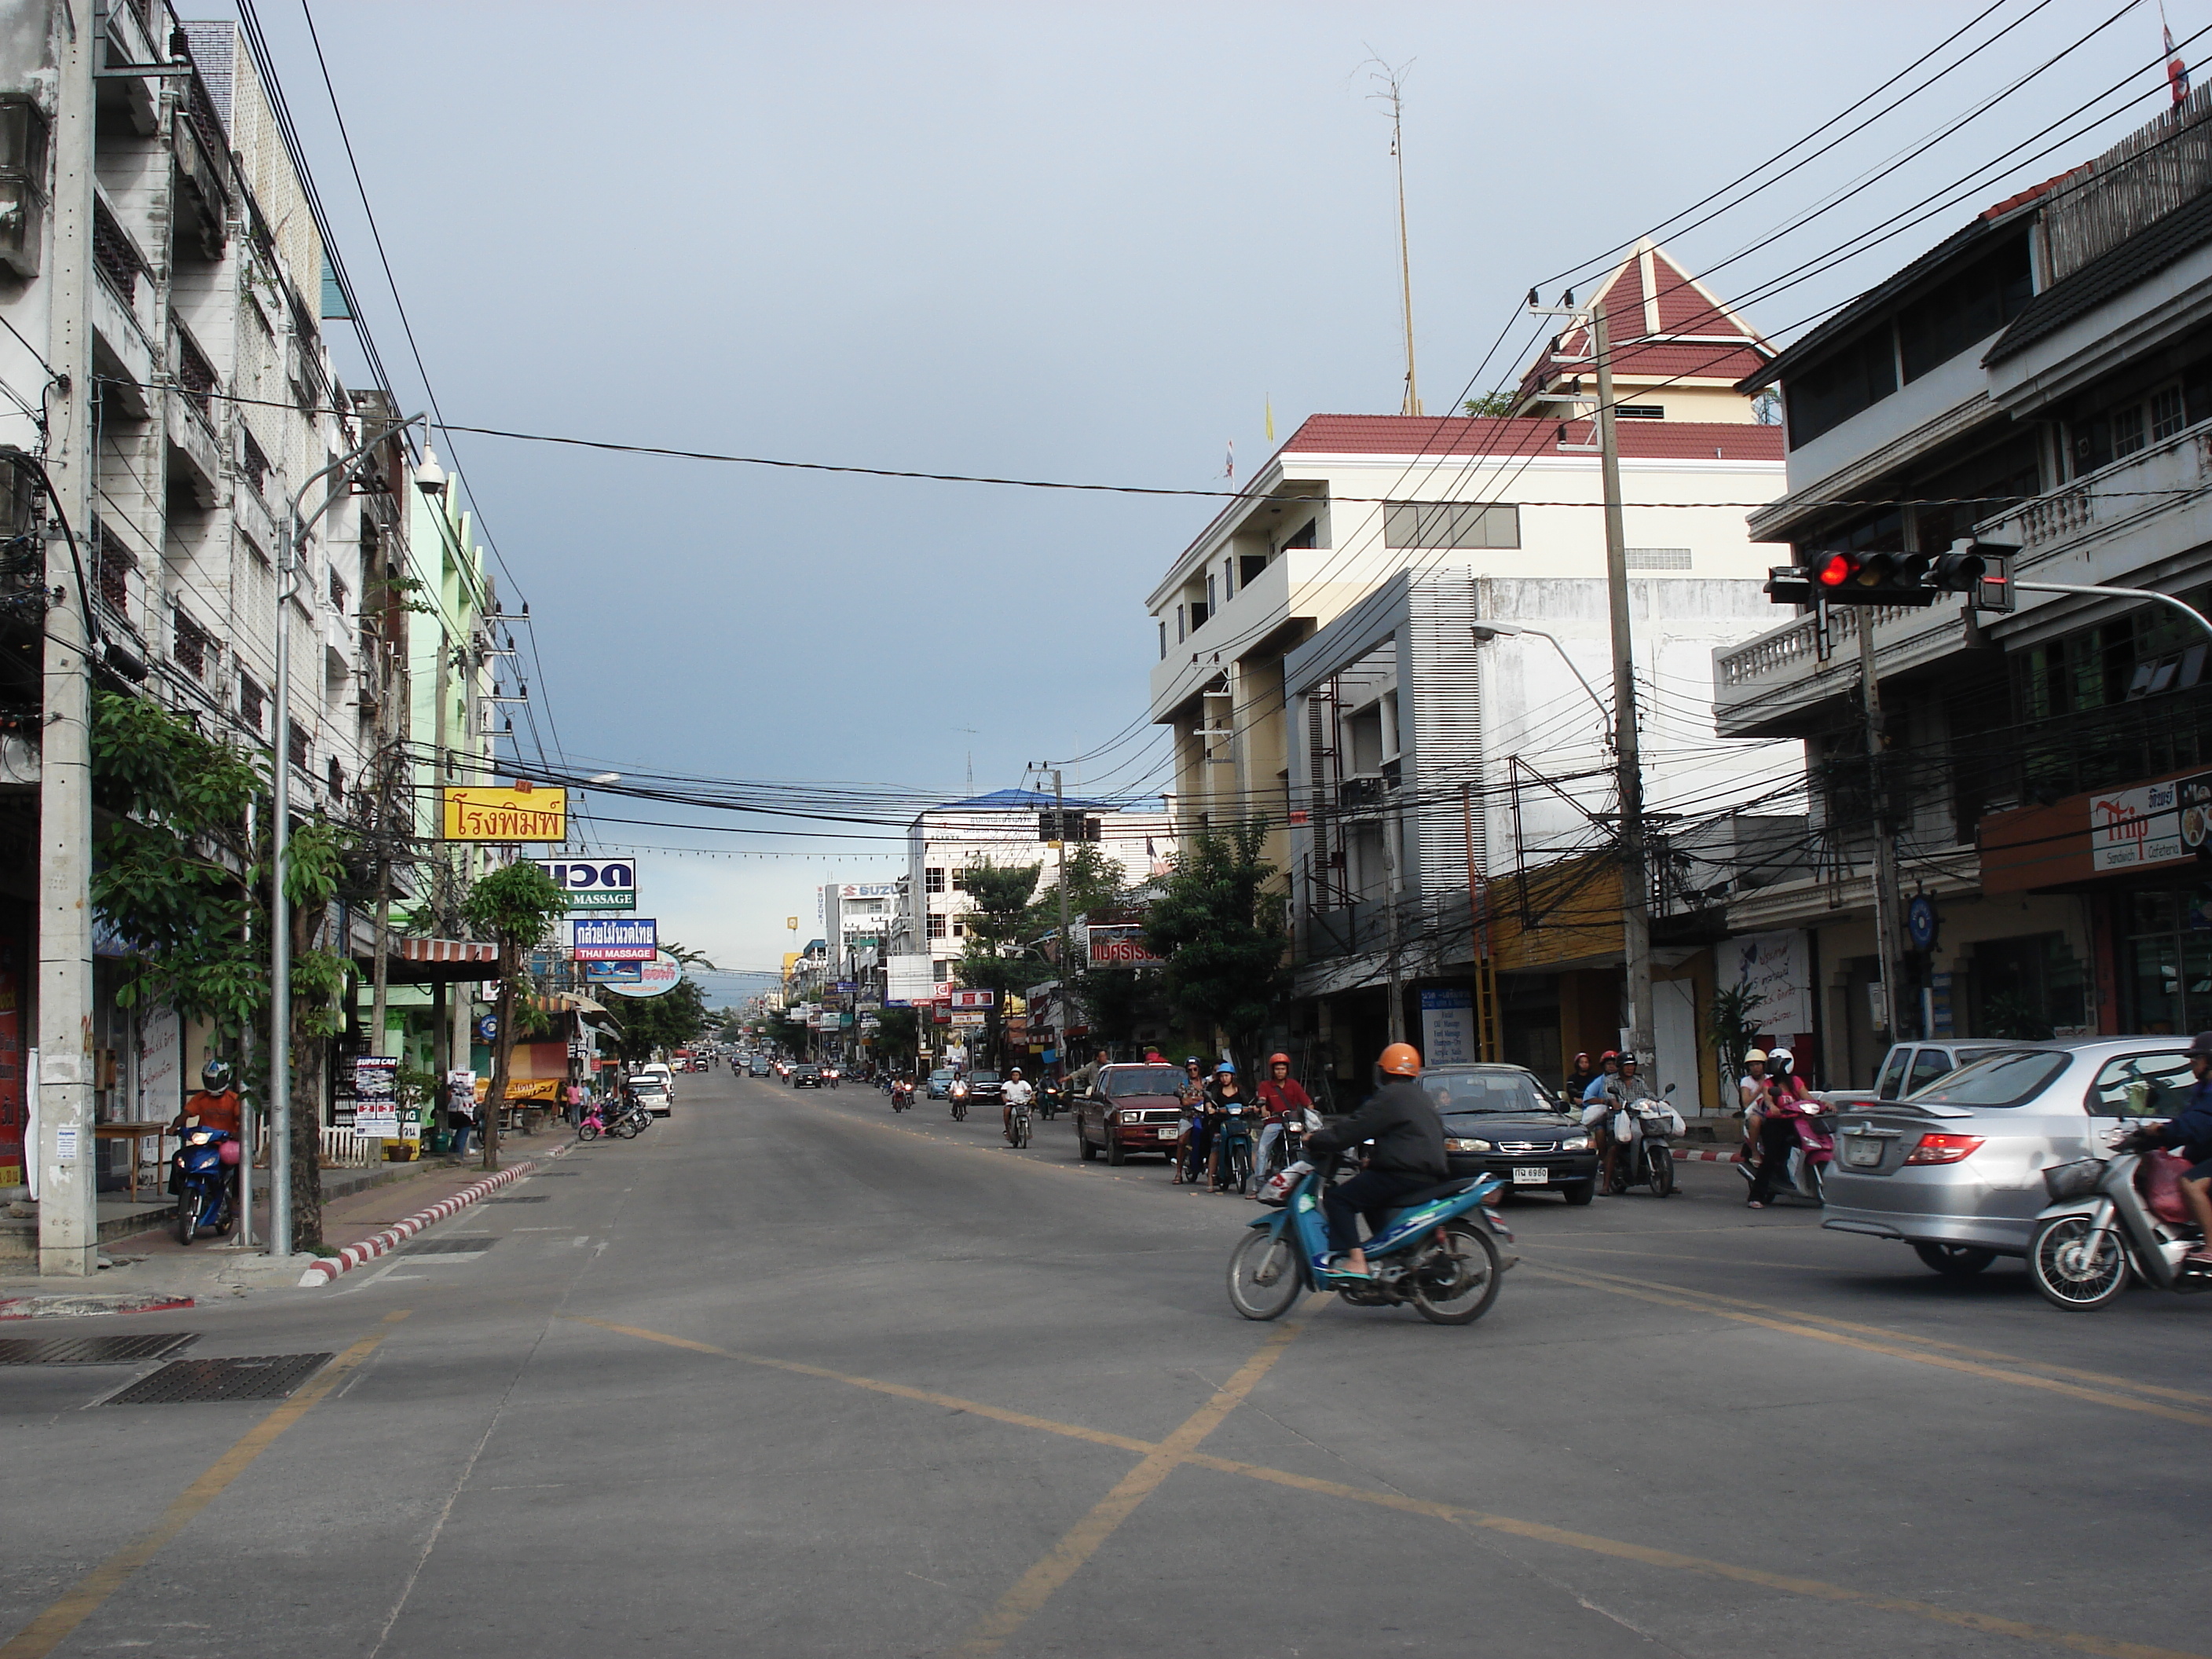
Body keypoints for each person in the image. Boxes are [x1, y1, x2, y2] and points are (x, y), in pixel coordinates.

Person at [1302, 1043, 1449, 1278]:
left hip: (1401, 1175)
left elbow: (1353, 1129)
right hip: (1429, 1175)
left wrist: (1316, 1139)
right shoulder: (1422, 1097)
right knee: (1372, 1200)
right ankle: (1392, 1256)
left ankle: (1356, 1261)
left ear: (1383, 1071)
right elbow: (1406, 1139)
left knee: (1339, 1200)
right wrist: (1375, 1162)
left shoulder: (1390, 1096)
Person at [1745, 1046, 1811, 1208]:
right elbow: (1768, 1099)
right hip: (1776, 1122)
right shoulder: (1769, 1083)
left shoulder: (1795, 1081)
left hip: (1796, 1122)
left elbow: (1807, 1097)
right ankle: (1756, 1196)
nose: (1773, 1066)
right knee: (1771, 1157)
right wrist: (1773, 1107)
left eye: (1777, 1063)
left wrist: (1823, 1104)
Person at [1584, 1054, 1658, 1189]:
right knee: (1615, 1146)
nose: (1630, 1069)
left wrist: (1659, 1102)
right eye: (1627, 1065)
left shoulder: (1639, 1081)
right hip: (1618, 1118)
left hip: (1639, 1118)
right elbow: (1609, 1096)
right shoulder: (1610, 1081)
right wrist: (1614, 1102)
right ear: (1620, 1067)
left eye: (1632, 1065)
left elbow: (1650, 1095)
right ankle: (1606, 1185)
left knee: (1656, 1134)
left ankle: (1666, 1182)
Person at [1254, 1053, 1314, 1193]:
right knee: (1263, 1151)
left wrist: (1312, 1113)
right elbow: (1262, 1099)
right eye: (1277, 1069)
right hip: (1274, 1122)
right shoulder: (1266, 1085)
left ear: (1287, 1070)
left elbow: (1307, 1102)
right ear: (1272, 1071)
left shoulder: (1293, 1084)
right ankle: (1257, 1186)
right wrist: (1263, 1109)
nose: (1280, 1072)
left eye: (1282, 1069)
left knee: (1307, 1145)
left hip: (1292, 1123)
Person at [1205, 1064, 1254, 1193]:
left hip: (1239, 1123)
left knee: (1250, 1141)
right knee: (1216, 1145)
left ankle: (1257, 1177)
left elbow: (1248, 1104)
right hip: (1220, 1122)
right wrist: (1210, 1108)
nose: (1224, 1079)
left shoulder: (1240, 1090)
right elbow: (1209, 1101)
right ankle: (1211, 1178)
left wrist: (1252, 1107)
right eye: (1221, 1076)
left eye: (1226, 1076)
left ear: (1232, 1076)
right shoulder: (1215, 1089)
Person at [1171, 1057, 1209, 1186]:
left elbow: (1210, 1098)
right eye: (1190, 1070)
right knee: (1182, 1141)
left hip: (1205, 1117)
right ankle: (1178, 1173)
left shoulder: (1206, 1083)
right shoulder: (1183, 1084)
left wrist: (1194, 1098)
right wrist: (1198, 1099)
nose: (1192, 1072)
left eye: (1195, 1069)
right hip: (1188, 1116)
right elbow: (1185, 1101)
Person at [1001, 1067, 1035, 1139]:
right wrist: (1005, 1098)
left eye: (1017, 1075)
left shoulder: (1024, 1083)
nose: (1015, 1077)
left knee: (1029, 1114)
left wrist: (1032, 1096)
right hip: (1011, 1103)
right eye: (1014, 1075)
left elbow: (1029, 1091)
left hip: (1023, 1103)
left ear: (1019, 1076)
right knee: (1006, 1111)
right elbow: (1003, 1093)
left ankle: (1029, 1131)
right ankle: (1008, 1131)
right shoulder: (1007, 1084)